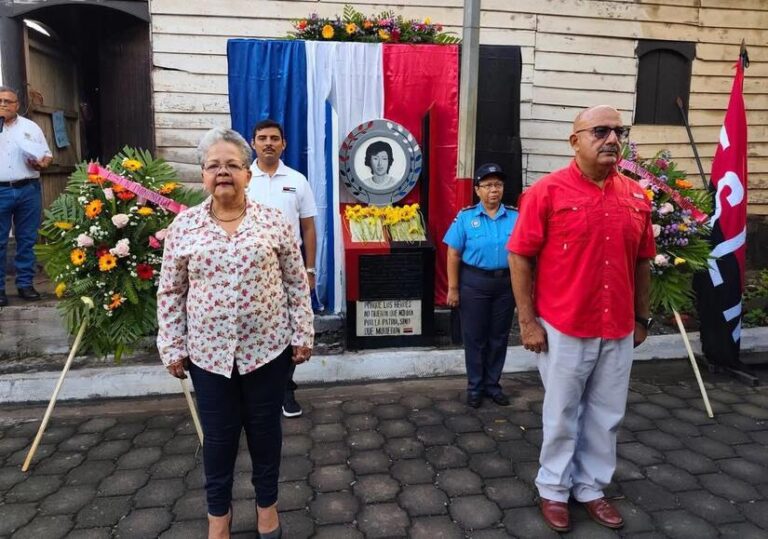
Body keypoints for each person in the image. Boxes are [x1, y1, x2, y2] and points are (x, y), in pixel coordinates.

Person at [158, 127, 314, 539]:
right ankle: (218, 520)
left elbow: (296, 282)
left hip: (267, 351)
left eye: (232, 165)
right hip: (208, 356)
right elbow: (171, 290)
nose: (222, 172)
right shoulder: (184, 226)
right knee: (219, 440)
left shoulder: (274, 221)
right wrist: (172, 345)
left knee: (265, 434)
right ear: (203, 176)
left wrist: (302, 333)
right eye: (213, 166)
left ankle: (267, 509)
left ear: (248, 174)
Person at [507, 105, 655, 533]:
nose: (612, 139)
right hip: (564, 326)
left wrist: (642, 317)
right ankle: (553, 488)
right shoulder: (546, 193)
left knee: (607, 413)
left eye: (618, 131)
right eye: (600, 131)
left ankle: (590, 487)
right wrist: (528, 322)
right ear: (575, 141)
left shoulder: (635, 196)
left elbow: (644, 260)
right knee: (562, 412)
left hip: (617, 327)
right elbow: (519, 255)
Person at [248, 118, 319, 418]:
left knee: (291, 328)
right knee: (256, 326)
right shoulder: (243, 179)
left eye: (274, 138)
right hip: (249, 269)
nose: (268, 143)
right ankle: (255, 391)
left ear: (283, 144)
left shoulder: (297, 180)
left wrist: (311, 269)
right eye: (262, 138)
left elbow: (309, 228)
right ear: (253, 143)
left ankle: (285, 389)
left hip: (288, 269)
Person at [443, 163, 518, 408]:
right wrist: (453, 289)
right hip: (474, 283)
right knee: (475, 338)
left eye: (498, 185)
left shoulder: (515, 217)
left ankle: (492, 385)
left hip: (506, 284)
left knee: (499, 337)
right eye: (488, 185)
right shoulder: (466, 218)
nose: (494, 190)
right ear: (477, 190)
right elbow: (453, 254)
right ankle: (475, 387)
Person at [0, 86, 52, 307]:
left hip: (28, 189)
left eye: (8, 102)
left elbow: (47, 155)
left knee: (27, 239)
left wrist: (41, 163)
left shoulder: (30, 127)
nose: (3, 105)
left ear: (17, 105)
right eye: (0, 101)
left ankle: (25, 284)